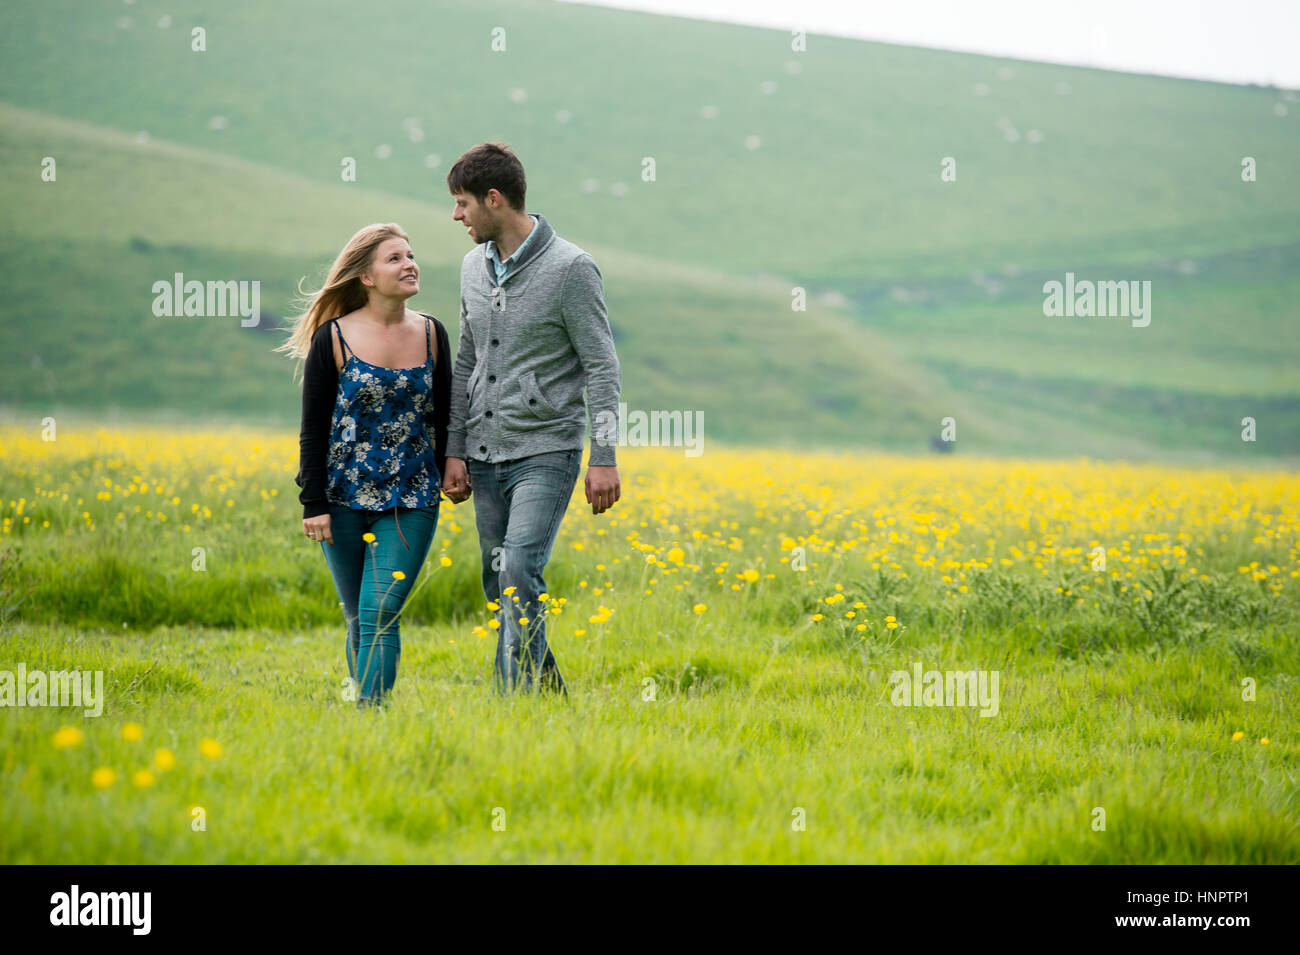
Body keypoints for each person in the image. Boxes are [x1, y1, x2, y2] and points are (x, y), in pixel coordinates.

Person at [441, 142, 622, 696]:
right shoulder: (473, 266)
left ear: (494, 199)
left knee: (519, 568)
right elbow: (466, 360)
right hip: (483, 452)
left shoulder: (571, 268)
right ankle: (544, 699)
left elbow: (602, 367)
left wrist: (605, 456)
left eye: (462, 203)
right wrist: (453, 447)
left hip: (546, 450)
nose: (456, 216)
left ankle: (511, 702)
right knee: (499, 583)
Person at [278, 223, 451, 708]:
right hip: (342, 497)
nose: (409, 264)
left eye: (410, 255)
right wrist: (313, 503)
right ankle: (367, 707)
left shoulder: (433, 333)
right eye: (394, 258)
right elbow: (313, 428)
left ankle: (370, 714)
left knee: (381, 611)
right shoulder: (332, 338)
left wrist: (452, 466)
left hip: (413, 496)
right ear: (367, 277)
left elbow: (444, 414)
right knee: (357, 615)